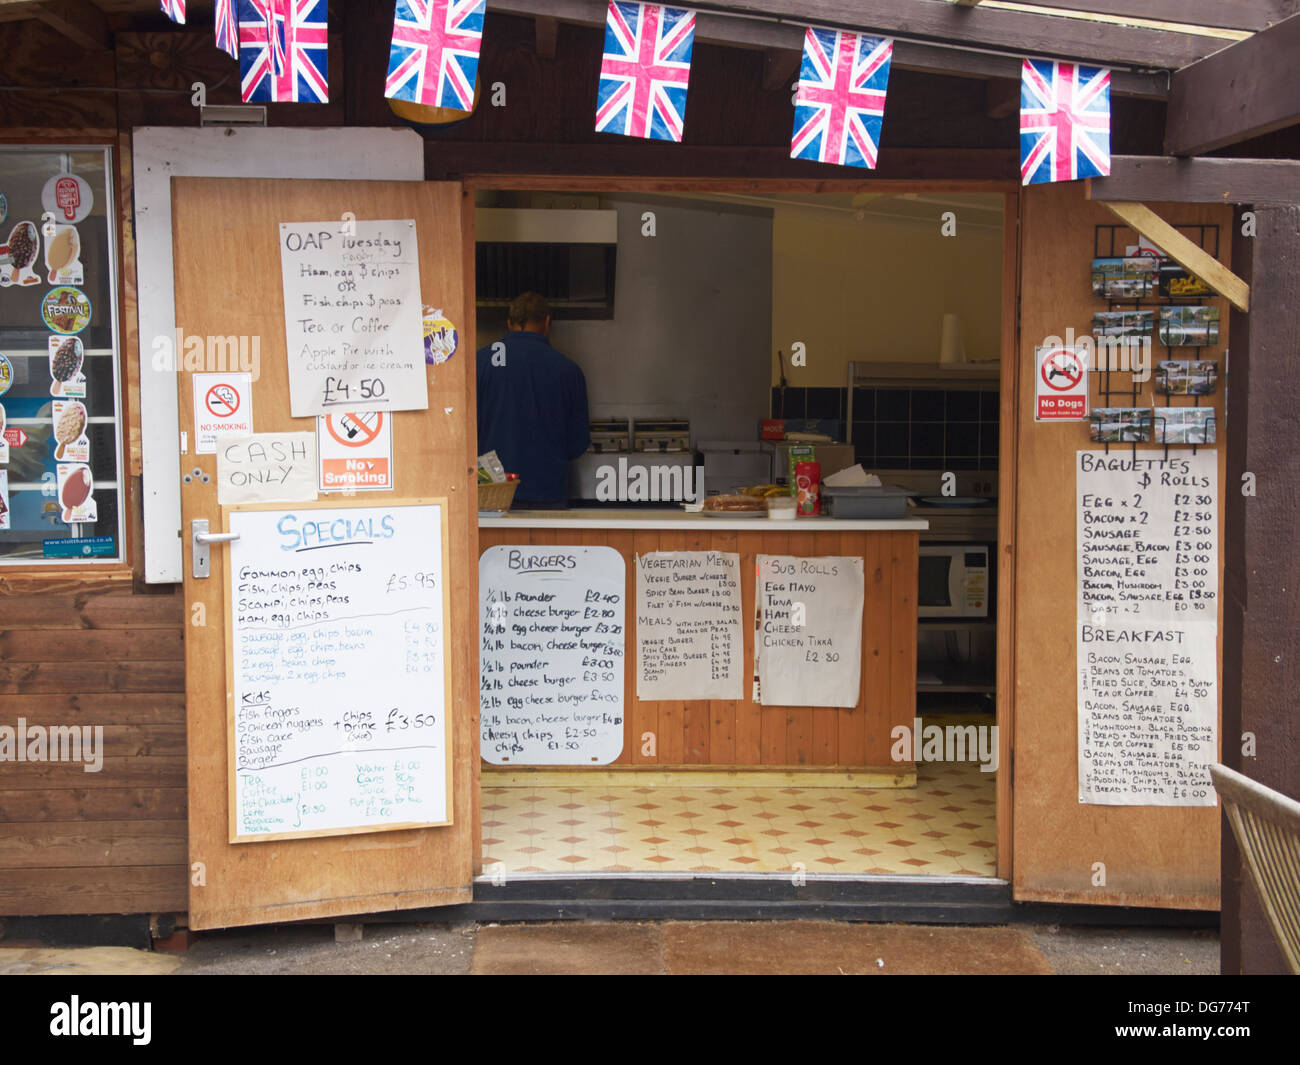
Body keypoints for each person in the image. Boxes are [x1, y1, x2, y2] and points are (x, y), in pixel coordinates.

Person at [476, 292, 590, 507]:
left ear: (509, 323)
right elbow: (578, 444)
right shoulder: (568, 370)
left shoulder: (479, 363)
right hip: (547, 492)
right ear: (547, 322)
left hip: (491, 490)